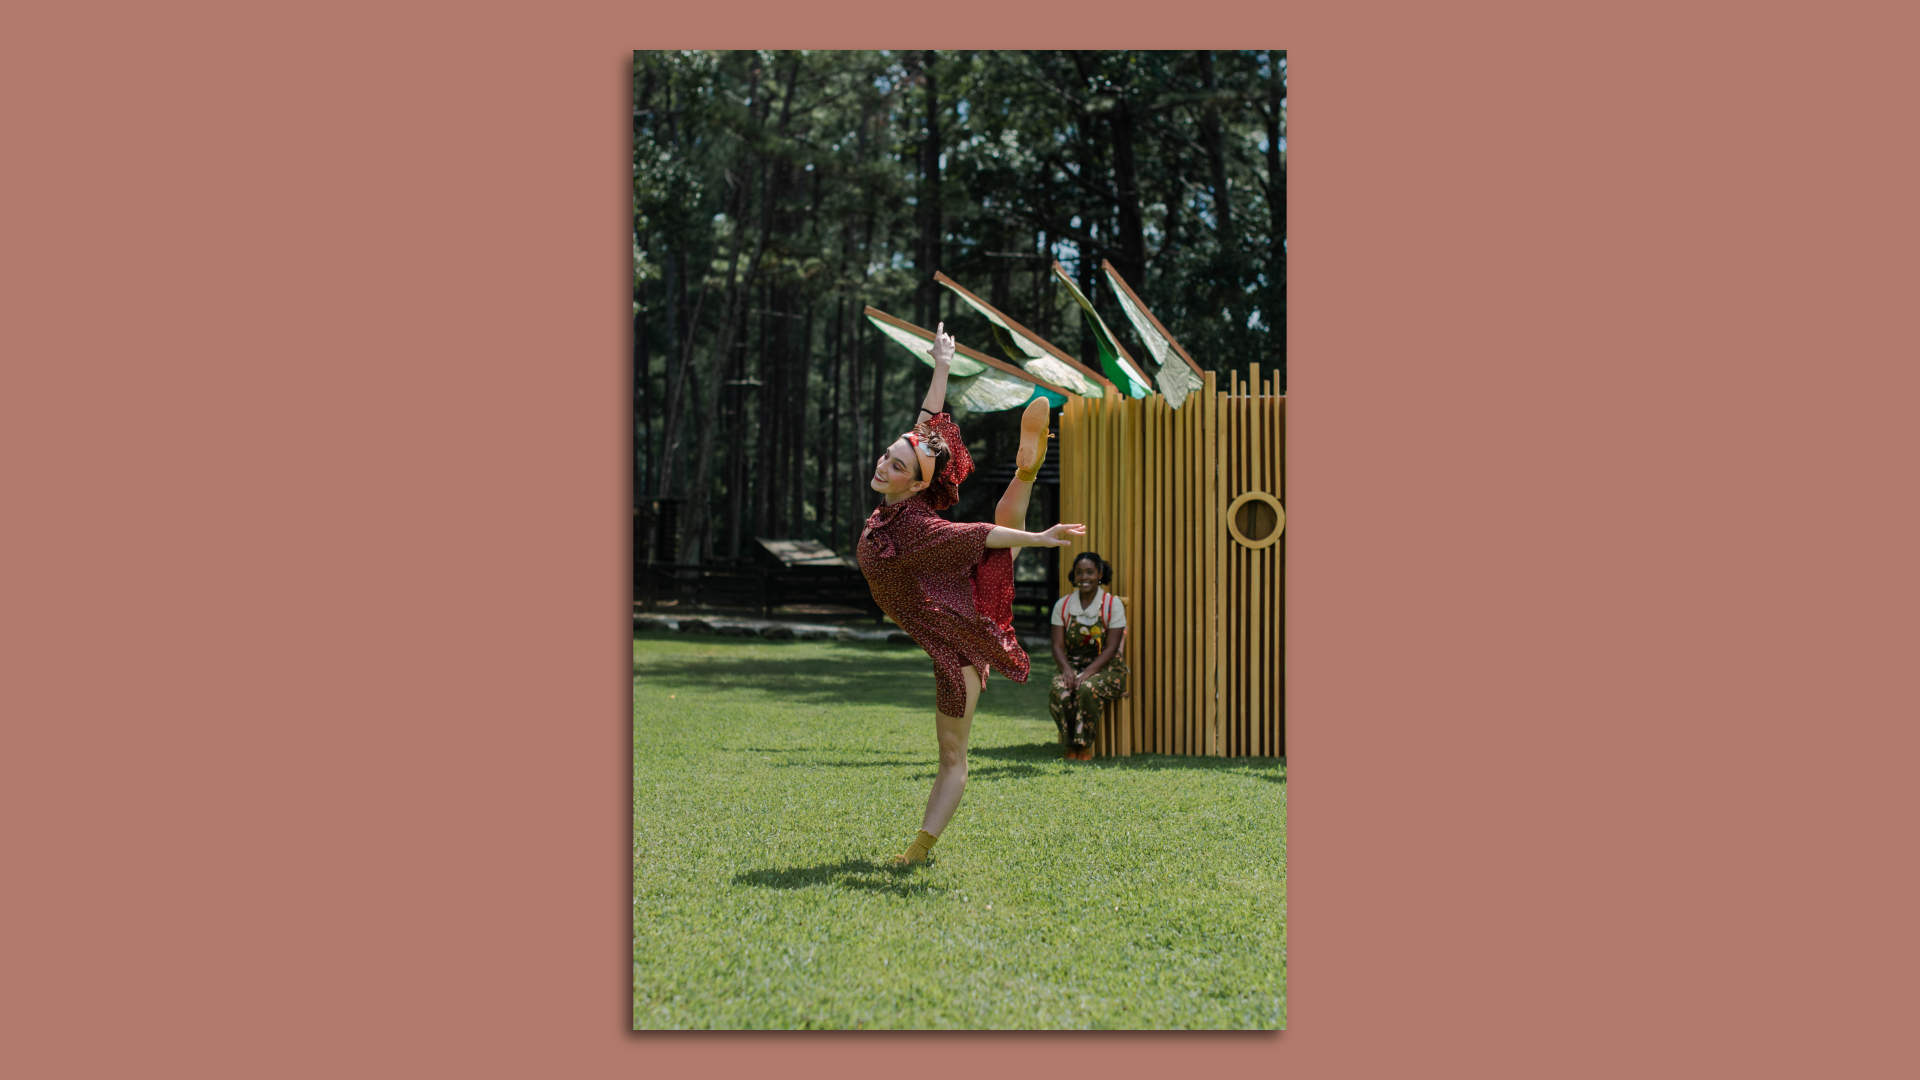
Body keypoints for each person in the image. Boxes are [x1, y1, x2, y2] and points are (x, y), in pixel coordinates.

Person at [856, 322, 1079, 866]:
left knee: (953, 755)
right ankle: (1026, 473)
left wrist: (1040, 538)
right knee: (1000, 548)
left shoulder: (915, 525)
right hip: (947, 602)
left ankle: (918, 852)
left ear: (917, 484)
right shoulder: (903, 500)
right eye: (887, 456)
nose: (884, 466)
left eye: (897, 466)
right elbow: (925, 422)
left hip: (961, 641)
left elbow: (980, 533)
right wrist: (941, 365)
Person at [1049, 552, 1130, 760]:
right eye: (1079, 572)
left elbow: (1112, 648)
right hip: (1072, 666)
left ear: (1100, 574)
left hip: (1109, 669)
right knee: (1059, 689)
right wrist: (1067, 670)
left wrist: (1086, 674)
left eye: (1090, 572)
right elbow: (1057, 646)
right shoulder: (1063, 606)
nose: (1084, 577)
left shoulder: (1112, 605)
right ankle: (1070, 744)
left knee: (1086, 688)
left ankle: (1084, 747)